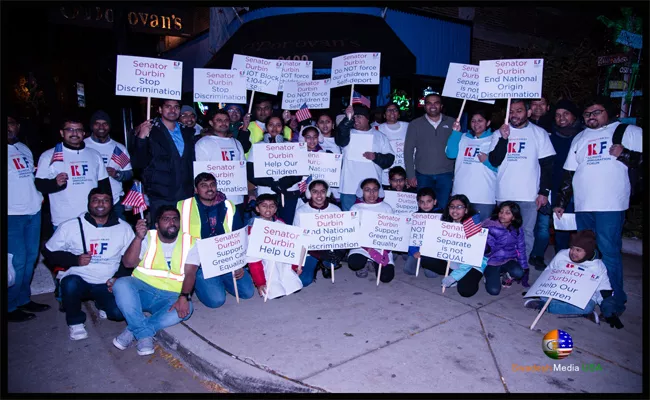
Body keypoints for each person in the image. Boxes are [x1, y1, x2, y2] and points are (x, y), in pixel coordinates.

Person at [553, 96, 642, 319]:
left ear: (608, 112)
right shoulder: (580, 138)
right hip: (583, 205)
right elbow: (569, 174)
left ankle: (614, 300)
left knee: (609, 252)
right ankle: (585, 293)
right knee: (586, 254)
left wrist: (625, 154)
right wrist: (562, 203)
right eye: (587, 114)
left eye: (597, 112)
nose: (591, 117)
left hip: (610, 205)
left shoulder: (627, 131)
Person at [42, 188, 133, 340]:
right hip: (80, 279)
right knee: (69, 284)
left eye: (105, 200)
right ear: (88, 203)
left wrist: (119, 277)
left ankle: (102, 304)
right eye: (96, 200)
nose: (100, 204)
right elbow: (48, 252)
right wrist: (74, 260)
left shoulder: (123, 228)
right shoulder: (71, 226)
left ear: (111, 204)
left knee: (117, 314)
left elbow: (130, 259)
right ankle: (75, 322)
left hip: (106, 282)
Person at [113, 206, 200, 356]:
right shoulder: (147, 237)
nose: (171, 222)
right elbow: (128, 263)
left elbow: (190, 273)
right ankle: (144, 334)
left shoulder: (191, 242)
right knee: (121, 284)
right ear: (157, 224)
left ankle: (136, 330)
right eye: (166, 219)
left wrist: (184, 297)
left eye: (175, 219)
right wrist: (138, 238)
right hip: (143, 291)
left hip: (170, 296)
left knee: (187, 309)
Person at [488, 99, 556, 261]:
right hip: (504, 194)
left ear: (529, 113)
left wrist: (543, 192)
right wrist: (504, 139)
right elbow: (494, 160)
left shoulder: (539, 133)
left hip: (529, 195)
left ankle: (519, 267)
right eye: (511, 111)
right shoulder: (498, 133)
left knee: (525, 233)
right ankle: (503, 264)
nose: (514, 115)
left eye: (519, 111)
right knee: (503, 232)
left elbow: (547, 165)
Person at [176, 173, 255, 308]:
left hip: (225, 259)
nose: (209, 188)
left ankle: (221, 280)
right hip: (199, 263)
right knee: (216, 301)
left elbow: (239, 236)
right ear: (196, 190)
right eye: (204, 186)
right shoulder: (182, 207)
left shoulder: (229, 205)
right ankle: (204, 283)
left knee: (247, 292)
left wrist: (239, 263)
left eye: (212, 185)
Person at [524, 230, 624, 329]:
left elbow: (604, 290)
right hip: (559, 290)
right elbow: (549, 272)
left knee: (587, 307)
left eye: (578, 250)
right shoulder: (562, 254)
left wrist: (609, 311)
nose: (573, 253)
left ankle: (545, 307)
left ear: (588, 251)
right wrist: (537, 289)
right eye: (572, 248)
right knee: (544, 297)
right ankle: (578, 312)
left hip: (582, 297)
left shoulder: (598, 266)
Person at [529, 100, 584, 270]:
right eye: (558, 114)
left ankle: (564, 259)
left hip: (571, 189)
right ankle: (537, 255)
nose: (561, 118)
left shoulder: (582, 135)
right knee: (544, 226)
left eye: (566, 114)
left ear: (574, 116)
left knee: (565, 226)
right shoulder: (548, 133)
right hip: (549, 186)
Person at [7, 114, 50, 322]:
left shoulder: (24, 149)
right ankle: (9, 305)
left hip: (33, 212)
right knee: (16, 262)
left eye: (11, 123)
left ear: (18, 126)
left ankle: (23, 299)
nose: (7, 127)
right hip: (11, 215)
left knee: (31, 259)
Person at [35, 116, 111, 230]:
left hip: (92, 217)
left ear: (84, 133)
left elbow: (104, 186)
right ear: (62, 133)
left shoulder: (94, 154)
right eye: (70, 130)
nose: (74, 133)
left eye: (78, 130)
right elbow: (39, 185)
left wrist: (107, 213)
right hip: (64, 219)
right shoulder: (49, 155)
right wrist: (55, 184)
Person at [131, 99, 196, 228]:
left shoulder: (187, 132)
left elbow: (191, 161)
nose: (173, 110)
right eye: (168, 107)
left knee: (186, 230)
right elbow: (138, 162)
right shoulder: (150, 130)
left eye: (176, 107)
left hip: (185, 192)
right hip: (161, 193)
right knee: (161, 233)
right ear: (160, 110)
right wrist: (141, 138)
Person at [336, 105, 395, 211]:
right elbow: (340, 136)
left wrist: (376, 157)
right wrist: (347, 118)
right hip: (349, 189)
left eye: (359, 116)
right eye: (354, 117)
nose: (355, 119)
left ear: (367, 118)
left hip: (372, 192)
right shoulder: (347, 133)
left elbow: (389, 159)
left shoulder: (380, 136)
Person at [246, 114, 303, 224]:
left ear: (283, 128)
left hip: (289, 192)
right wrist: (272, 183)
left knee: (287, 225)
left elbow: (299, 171)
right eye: (271, 125)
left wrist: (284, 182)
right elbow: (251, 173)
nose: (274, 128)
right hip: (266, 193)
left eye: (278, 125)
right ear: (266, 128)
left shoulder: (291, 146)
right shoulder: (258, 146)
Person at [246, 194, 303, 299]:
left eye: (272, 206)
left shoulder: (281, 224)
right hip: (267, 265)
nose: (268, 209)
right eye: (264, 206)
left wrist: (296, 266)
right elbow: (253, 260)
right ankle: (271, 282)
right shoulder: (254, 230)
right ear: (257, 209)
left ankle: (287, 278)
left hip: (283, 263)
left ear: (276, 209)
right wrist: (260, 282)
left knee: (294, 284)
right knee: (275, 289)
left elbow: (291, 247)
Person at [404, 93, 456, 208]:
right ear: (424, 106)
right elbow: (408, 151)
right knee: (425, 209)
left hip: (446, 175)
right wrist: (410, 175)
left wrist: (455, 173)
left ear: (441, 106)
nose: (433, 106)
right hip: (423, 175)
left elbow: (457, 149)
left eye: (436, 103)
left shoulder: (452, 123)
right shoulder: (415, 124)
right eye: (429, 103)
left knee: (443, 208)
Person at [195, 109, 247, 220]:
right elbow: (200, 175)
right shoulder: (203, 143)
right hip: (213, 200)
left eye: (226, 120)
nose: (223, 123)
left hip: (236, 198)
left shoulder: (236, 143)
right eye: (219, 120)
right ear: (211, 123)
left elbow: (243, 169)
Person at [445, 110, 497, 220]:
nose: (476, 124)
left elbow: (501, 168)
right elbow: (450, 154)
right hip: (461, 195)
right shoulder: (463, 137)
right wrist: (455, 133)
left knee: (481, 233)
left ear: (488, 122)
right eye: (473, 121)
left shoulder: (495, 138)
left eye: (480, 121)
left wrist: (487, 161)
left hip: (484, 197)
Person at [84, 110, 133, 221]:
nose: (101, 126)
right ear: (92, 126)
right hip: (86, 201)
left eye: (105, 123)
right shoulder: (83, 145)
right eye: (97, 123)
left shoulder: (119, 148)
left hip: (114, 201)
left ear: (109, 126)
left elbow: (129, 173)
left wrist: (117, 174)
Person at [293, 180, 344, 281]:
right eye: (315, 191)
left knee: (332, 260)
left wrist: (339, 252)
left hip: (329, 249)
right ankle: (317, 263)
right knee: (304, 281)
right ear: (309, 193)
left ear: (327, 193)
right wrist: (319, 254)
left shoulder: (336, 210)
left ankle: (326, 265)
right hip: (309, 251)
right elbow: (298, 237)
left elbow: (343, 235)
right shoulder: (301, 211)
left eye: (323, 191)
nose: (319, 195)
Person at [348, 178, 396, 282]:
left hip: (381, 247)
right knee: (355, 262)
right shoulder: (355, 208)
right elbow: (353, 233)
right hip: (362, 247)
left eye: (375, 189)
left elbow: (393, 230)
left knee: (386, 278)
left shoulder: (386, 208)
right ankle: (365, 263)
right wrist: (371, 251)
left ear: (379, 191)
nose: (371, 193)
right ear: (361, 191)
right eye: (367, 190)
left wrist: (385, 251)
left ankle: (373, 263)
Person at [481, 201, 528, 295]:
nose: (502, 215)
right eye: (501, 212)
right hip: (491, 261)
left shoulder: (517, 229)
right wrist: (500, 240)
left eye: (507, 213)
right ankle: (488, 275)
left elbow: (521, 248)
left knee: (519, 273)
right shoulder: (490, 226)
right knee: (494, 291)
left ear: (514, 217)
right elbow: (486, 251)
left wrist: (524, 267)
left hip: (508, 259)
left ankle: (507, 275)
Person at [403, 187, 443, 277]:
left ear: (435, 202)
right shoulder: (414, 216)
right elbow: (409, 236)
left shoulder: (441, 216)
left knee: (431, 275)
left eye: (429, 201)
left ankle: (425, 263)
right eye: (422, 202)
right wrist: (413, 251)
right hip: (417, 249)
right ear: (418, 203)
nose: (425, 205)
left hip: (432, 252)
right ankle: (418, 261)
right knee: (408, 270)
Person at [378, 103, 409, 186]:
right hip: (385, 175)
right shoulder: (377, 129)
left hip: (405, 174)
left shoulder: (408, 127)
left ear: (399, 114)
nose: (392, 112)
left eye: (395, 110)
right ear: (384, 115)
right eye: (389, 110)